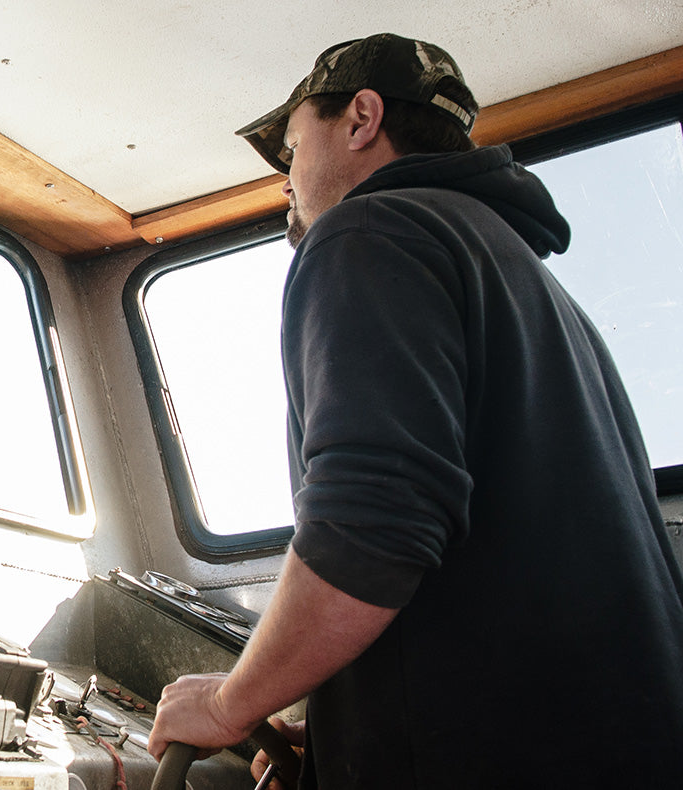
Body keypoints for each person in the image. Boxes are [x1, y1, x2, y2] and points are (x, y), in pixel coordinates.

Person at [147, 33, 683, 788]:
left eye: (293, 150)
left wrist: (232, 702)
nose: (286, 186)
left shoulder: (369, 233)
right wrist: (345, 722)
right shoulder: (521, 276)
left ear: (361, 119)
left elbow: (372, 528)